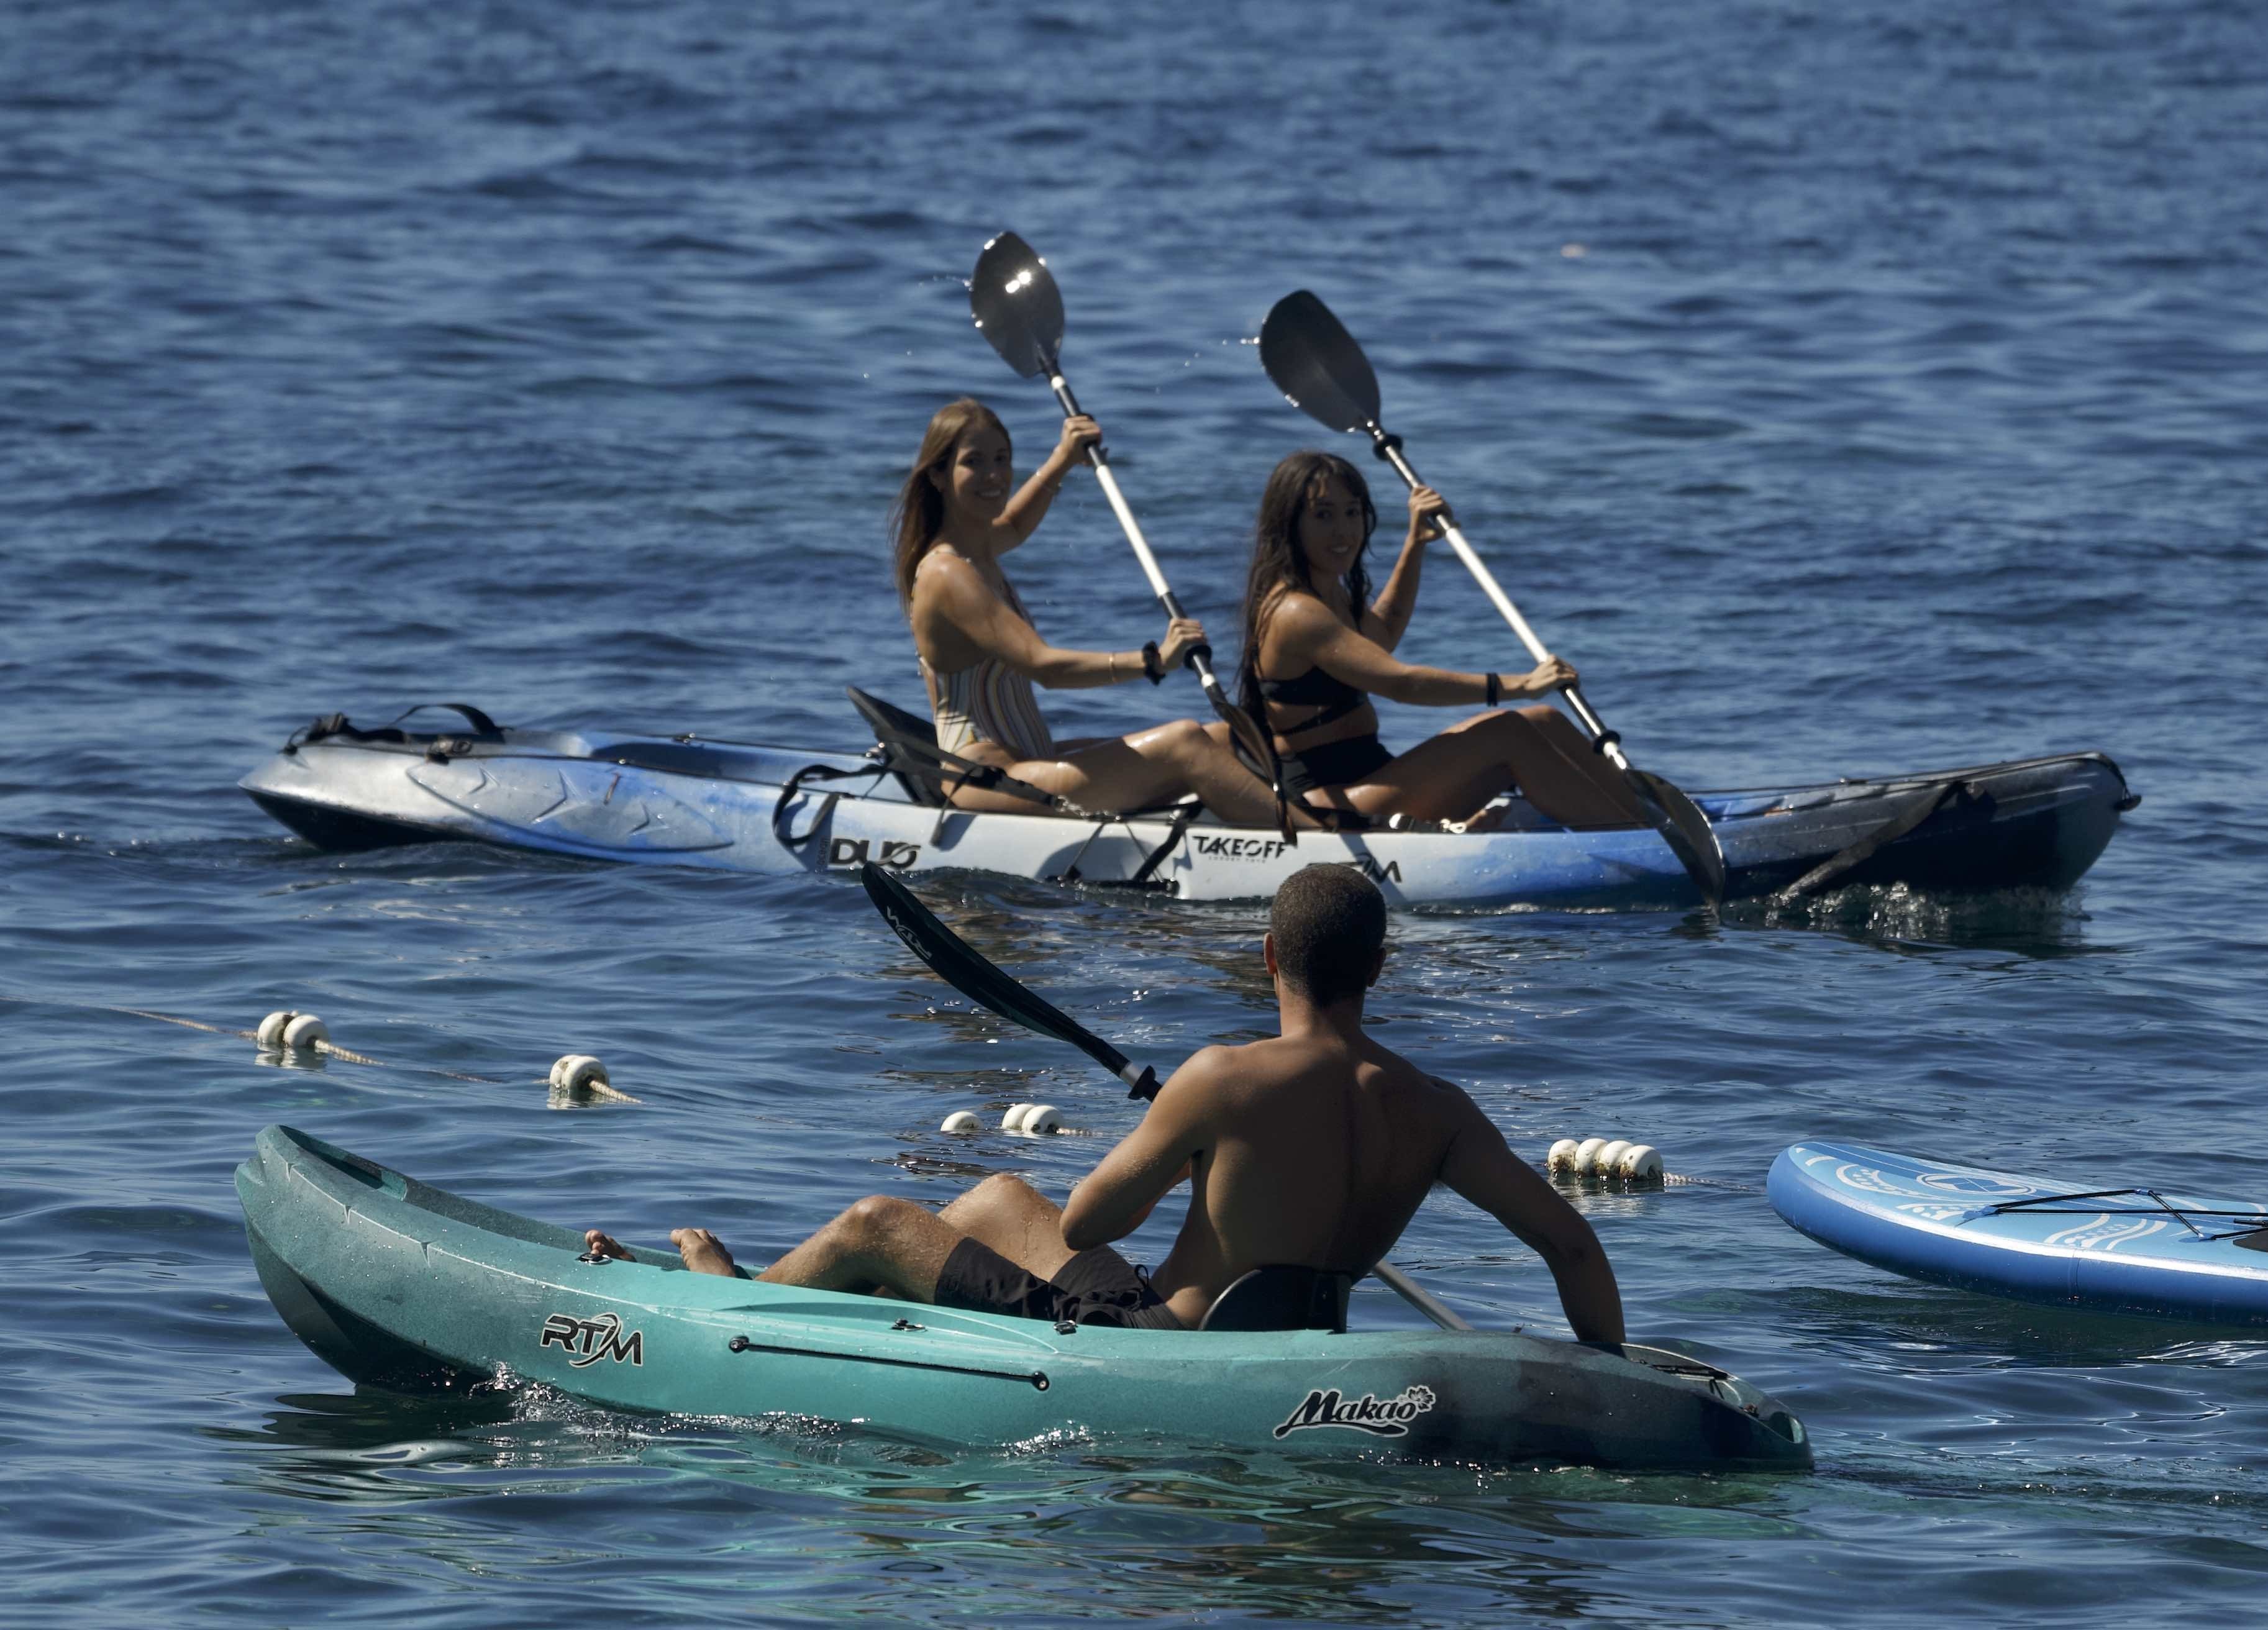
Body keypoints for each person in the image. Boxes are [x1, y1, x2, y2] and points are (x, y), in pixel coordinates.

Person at [585, 865, 1625, 1344]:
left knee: (875, 1221)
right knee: (994, 1195)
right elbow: (1572, 1248)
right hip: (1292, 1334)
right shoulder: (1439, 1107)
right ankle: (890, 1339)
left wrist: (1179, 1139)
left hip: (1157, 1338)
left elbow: (1087, 1224)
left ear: (1268, 955)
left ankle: (729, 1309)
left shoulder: (1225, 1075)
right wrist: (1608, 1376)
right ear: (1379, 967)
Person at [889, 397, 1310, 829]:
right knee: (1185, 741)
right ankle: (1317, 839)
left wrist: (1065, 457)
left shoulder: (976, 548)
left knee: (1223, 736)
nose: (994, 475)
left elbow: (1015, 524)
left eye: (1002, 459)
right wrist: (1151, 661)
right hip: (987, 780)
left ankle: (1290, 816)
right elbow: (1044, 668)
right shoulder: (947, 572)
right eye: (973, 462)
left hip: (1033, 761)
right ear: (938, 475)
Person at [1235, 450, 1663, 830]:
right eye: (1323, 515)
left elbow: (1382, 635)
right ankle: (1626, 836)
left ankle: (1649, 820)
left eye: (1352, 512)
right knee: (1510, 731)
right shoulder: (1296, 611)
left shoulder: (1328, 594)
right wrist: (1515, 684)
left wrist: (1416, 543)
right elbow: (1401, 683)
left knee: (1542, 720)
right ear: (1289, 523)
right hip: (1332, 803)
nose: (1343, 531)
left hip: (1374, 774)